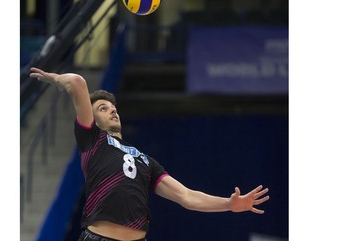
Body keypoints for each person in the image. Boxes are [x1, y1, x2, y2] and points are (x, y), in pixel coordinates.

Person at [29, 67, 270, 241]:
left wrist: (228, 203)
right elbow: (78, 83)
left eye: (114, 108)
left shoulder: (145, 161)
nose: (112, 111)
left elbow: (186, 196)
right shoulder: (92, 140)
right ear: (93, 119)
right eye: (103, 109)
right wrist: (57, 79)